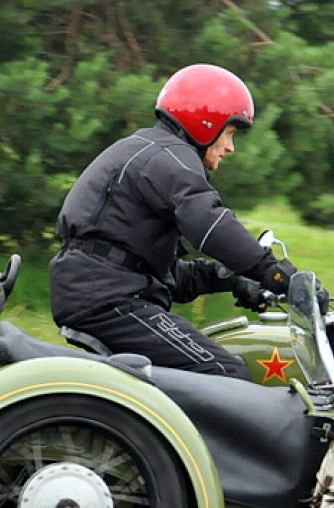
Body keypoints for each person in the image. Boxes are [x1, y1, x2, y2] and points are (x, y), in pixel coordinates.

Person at [49, 63, 299, 379]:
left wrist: (231, 278)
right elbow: (210, 223)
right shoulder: (171, 159)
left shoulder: (150, 152)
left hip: (98, 294)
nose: (231, 147)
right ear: (206, 123)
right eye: (230, 133)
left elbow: (158, 276)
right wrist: (273, 272)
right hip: (111, 302)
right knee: (228, 375)